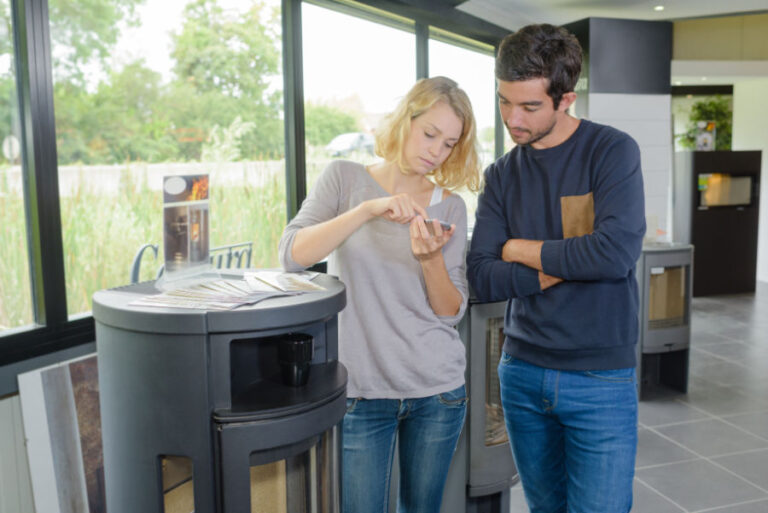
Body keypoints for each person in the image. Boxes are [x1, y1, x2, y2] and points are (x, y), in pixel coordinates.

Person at [279, 76, 481, 513]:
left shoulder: (450, 207)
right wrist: (369, 209)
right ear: (405, 120)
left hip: (437, 392)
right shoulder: (344, 179)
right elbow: (292, 255)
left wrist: (430, 259)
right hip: (361, 392)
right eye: (429, 134)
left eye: (448, 144)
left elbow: (450, 312)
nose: (435, 150)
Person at [466, 24, 646, 513]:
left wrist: (517, 248)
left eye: (529, 107)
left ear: (565, 99)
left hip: (600, 380)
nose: (512, 119)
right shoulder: (501, 175)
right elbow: (481, 276)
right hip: (522, 372)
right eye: (505, 102)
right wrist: (564, 261)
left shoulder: (612, 152)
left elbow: (613, 255)